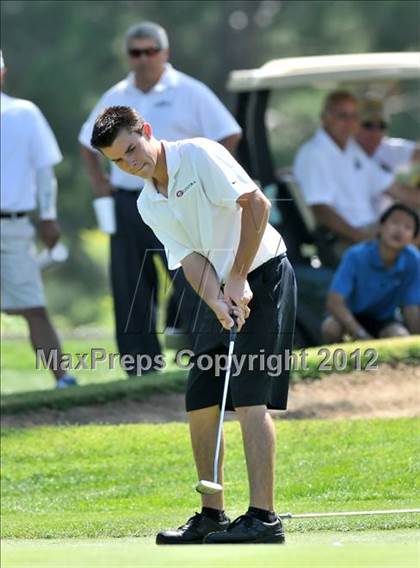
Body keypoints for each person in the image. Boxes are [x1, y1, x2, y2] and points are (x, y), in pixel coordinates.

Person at [90, 106, 297, 544]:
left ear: (146, 131)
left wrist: (239, 276)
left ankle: (264, 517)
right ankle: (212, 514)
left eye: (132, 149)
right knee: (201, 396)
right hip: (223, 284)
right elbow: (188, 259)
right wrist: (219, 302)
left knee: (247, 396)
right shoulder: (149, 201)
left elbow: (256, 205)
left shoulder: (200, 154)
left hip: (265, 271)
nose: (131, 163)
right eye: (119, 161)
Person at [79, 22, 241, 374]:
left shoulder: (190, 91)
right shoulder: (115, 95)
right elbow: (87, 142)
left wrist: (209, 177)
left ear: (164, 53)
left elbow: (229, 133)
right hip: (129, 201)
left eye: (150, 51)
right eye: (135, 52)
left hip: (181, 199)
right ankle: (141, 367)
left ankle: (201, 357)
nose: (143, 59)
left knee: (191, 276)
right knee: (130, 284)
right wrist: (99, 183)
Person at [0, 50, 77, 389]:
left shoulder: (24, 113)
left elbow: (45, 172)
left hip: (14, 226)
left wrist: (49, 217)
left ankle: (62, 378)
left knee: (33, 306)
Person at [293, 91, 420, 254]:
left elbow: (398, 190)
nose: (349, 122)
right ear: (325, 118)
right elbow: (321, 211)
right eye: (342, 116)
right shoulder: (314, 154)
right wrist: (364, 239)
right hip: (346, 240)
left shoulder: (351, 149)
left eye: (354, 116)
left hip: (371, 229)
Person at [322, 204, 420, 342]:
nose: (399, 230)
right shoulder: (356, 255)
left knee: (400, 335)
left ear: (414, 239)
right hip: (349, 316)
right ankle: (337, 363)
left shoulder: (413, 260)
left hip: (384, 319)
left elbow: (411, 306)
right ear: (381, 226)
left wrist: (416, 343)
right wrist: (361, 334)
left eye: (408, 227)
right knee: (330, 328)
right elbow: (334, 302)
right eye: (395, 222)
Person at [356, 96, 420, 173]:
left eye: (381, 126)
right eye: (368, 125)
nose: (376, 133)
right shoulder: (344, 152)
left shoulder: (387, 149)